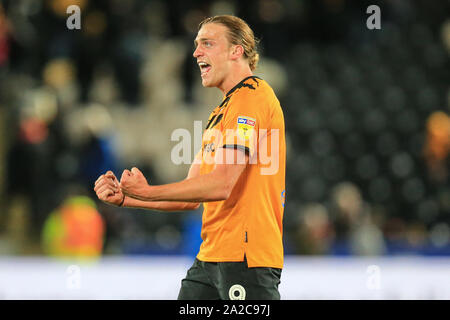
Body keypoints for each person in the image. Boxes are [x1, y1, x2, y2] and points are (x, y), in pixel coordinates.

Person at [94, 15, 286, 300]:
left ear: (237, 50)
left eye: (207, 43)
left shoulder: (252, 98)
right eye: (197, 45)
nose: (196, 52)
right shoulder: (220, 112)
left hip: (246, 259)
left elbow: (221, 184)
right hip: (211, 259)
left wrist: (147, 190)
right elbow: (191, 197)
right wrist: (129, 198)